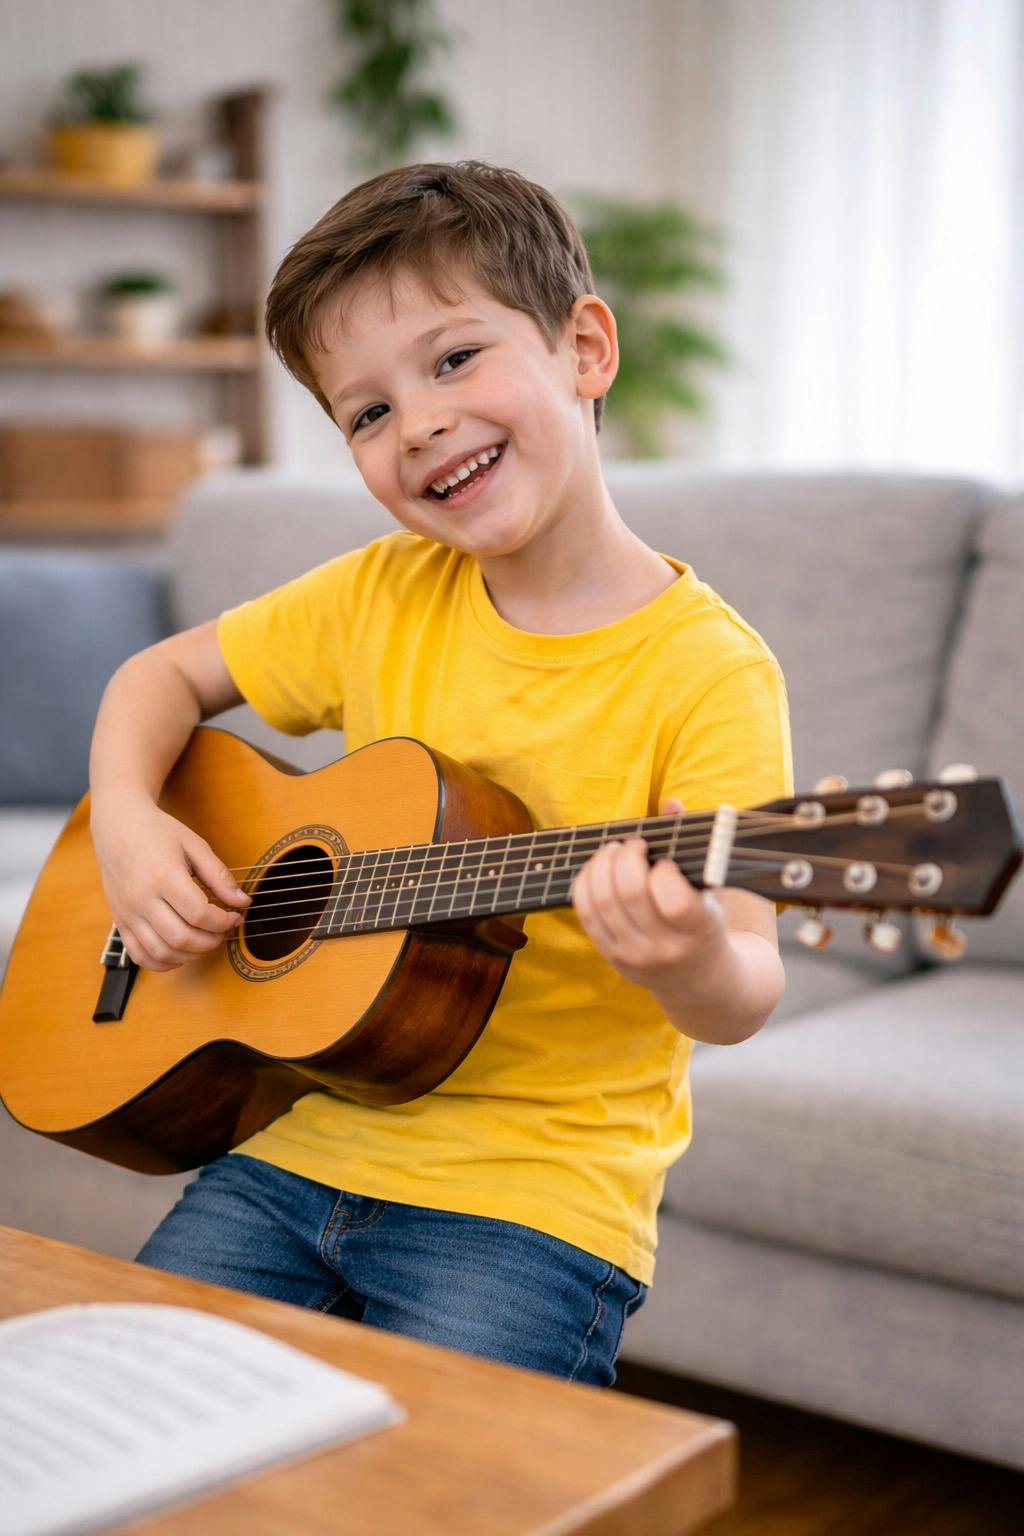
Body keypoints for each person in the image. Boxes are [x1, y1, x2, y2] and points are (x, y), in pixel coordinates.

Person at [88, 160, 792, 1388]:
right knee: (128, 1418)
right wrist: (132, 828)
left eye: (454, 359)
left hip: (533, 1200)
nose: (414, 422)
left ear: (584, 347)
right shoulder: (376, 597)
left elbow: (745, 987)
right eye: (364, 412)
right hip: (294, 1139)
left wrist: (686, 957)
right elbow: (155, 679)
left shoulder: (711, 675)